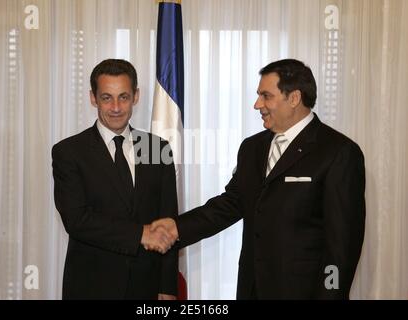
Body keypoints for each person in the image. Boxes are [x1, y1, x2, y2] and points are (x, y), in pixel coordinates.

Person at [151, 59, 366, 299]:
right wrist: (177, 228)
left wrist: (330, 296)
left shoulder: (338, 152)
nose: (257, 105)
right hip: (251, 290)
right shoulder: (252, 147)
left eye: (266, 96)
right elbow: (230, 204)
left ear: (294, 98)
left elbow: (342, 248)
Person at [52, 59, 178, 299]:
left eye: (124, 97)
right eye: (106, 98)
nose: (116, 107)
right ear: (93, 98)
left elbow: (168, 218)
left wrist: (167, 287)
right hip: (90, 286)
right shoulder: (69, 152)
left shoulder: (157, 148)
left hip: (147, 286)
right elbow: (77, 220)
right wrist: (140, 234)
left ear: (136, 96)